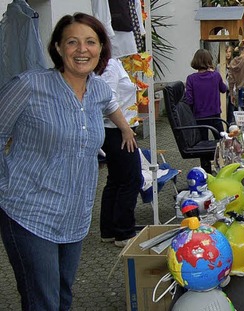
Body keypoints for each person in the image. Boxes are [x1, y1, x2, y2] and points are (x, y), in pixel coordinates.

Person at [0, 13, 136, 310]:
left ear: (101, 48)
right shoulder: (29, 85)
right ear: (59, 48)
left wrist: (125, 128)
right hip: (29, 211)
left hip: (75, 216)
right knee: (43, 301)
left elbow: (112, 107)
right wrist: (4, 185)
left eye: (90, 42)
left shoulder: (99, 89)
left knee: (62, 296)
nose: (81, 49)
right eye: (72, 42)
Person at [97, 56, 142, 248]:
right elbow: (108, 99)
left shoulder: (111, 63)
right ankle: (124, 232)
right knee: (131, 179)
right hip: (117, 130)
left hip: (114, 129)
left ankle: (109, 230)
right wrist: (125, 128)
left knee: (116, 179)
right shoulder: (110, 65)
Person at [184, 48, 228, 138]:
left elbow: (189, 100)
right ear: (209, 61)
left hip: (199, 115)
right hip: (215, 115)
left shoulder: (191, 79)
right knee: (221, 139)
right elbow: (224, 89)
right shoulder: (215, 75)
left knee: (203, 140)